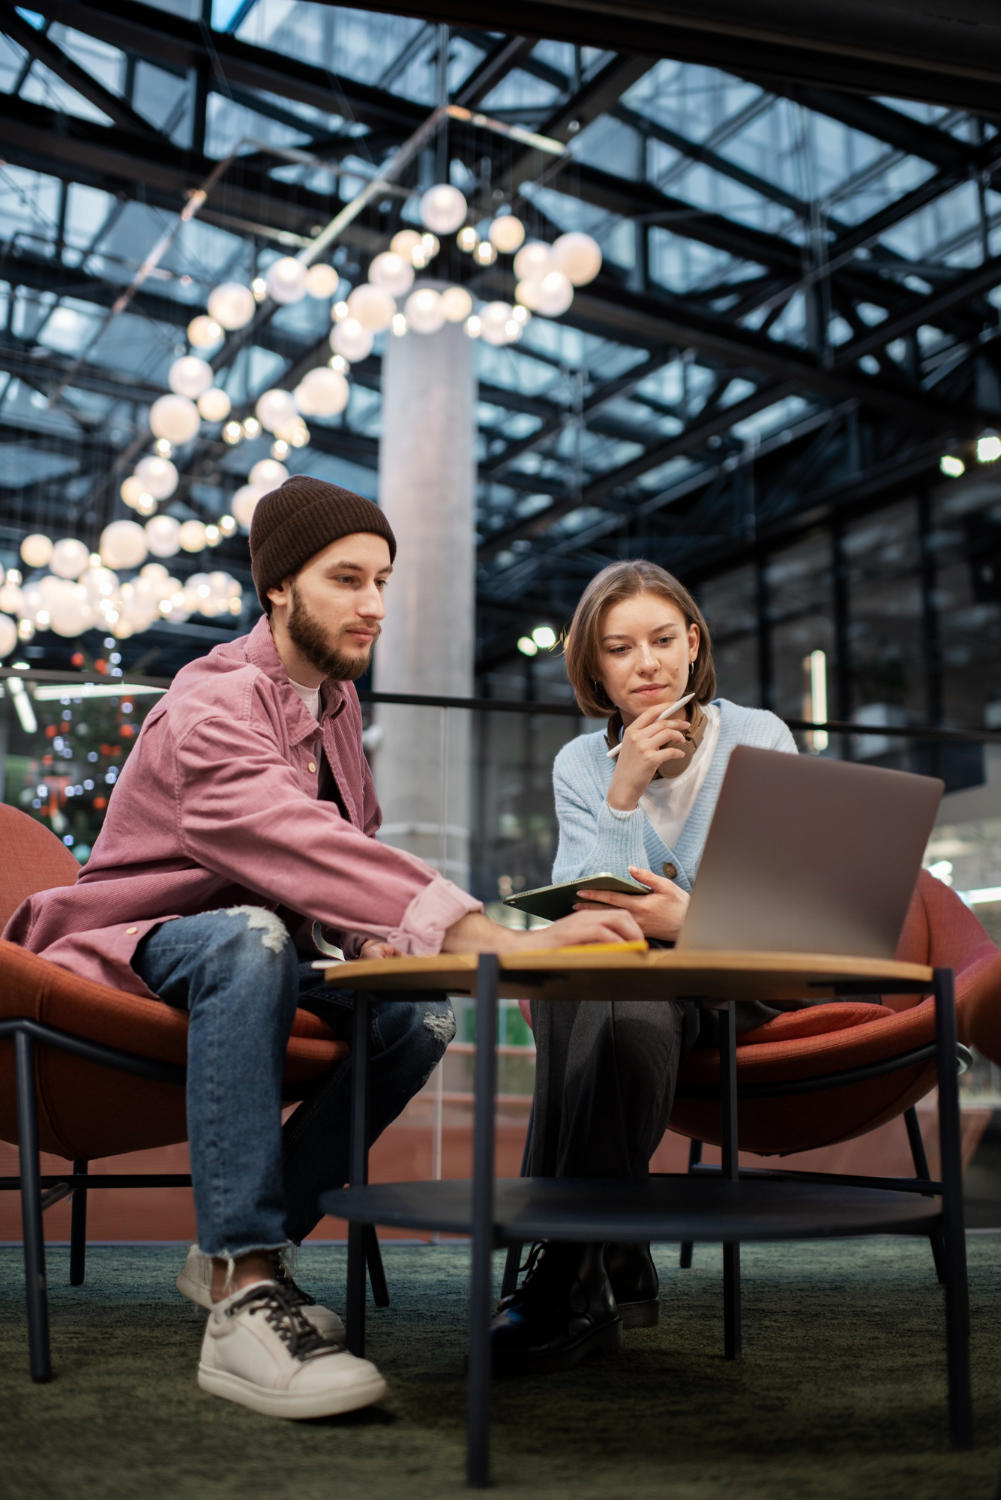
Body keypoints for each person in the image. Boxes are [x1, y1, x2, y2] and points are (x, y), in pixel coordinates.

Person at [4, 476, 642, 1420]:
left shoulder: (336, 712)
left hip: (260, 952)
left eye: (383, 580)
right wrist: (488, 931)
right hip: (130, 948)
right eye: (347, 580)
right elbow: (272, 833)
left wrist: (371, 936)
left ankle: (231, 1251)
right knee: (250, 937)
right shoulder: (208, 699)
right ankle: (245, 1287)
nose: (374, 607)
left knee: (418, 1013)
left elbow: (344, 864)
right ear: (276, 588)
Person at [490, 558, 797, 1376]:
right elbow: (592, 921)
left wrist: (685, 920)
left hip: (739, 987)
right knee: (599, 995)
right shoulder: (580, 766)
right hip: (638, 992)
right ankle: (599, 1256)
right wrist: (622, 794)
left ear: (693, 644)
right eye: (620, 650)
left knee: (610, 996)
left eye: (663, 640)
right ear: (595, 667)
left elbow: (787, 925)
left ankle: (565, 1265)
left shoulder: (760, 738)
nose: (647, 664)